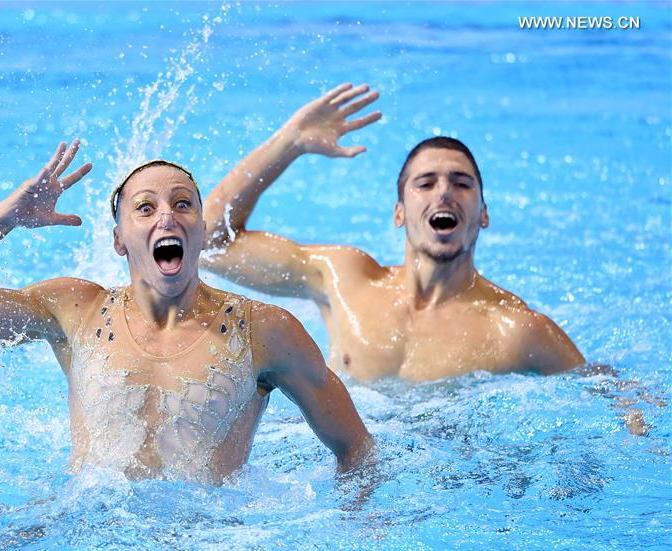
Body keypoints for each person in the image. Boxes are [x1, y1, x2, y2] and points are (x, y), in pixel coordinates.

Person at [0, 140, 373, 484]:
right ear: (118, 239)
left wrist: (356, 528)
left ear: (201, 229)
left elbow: (357, 450)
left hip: (208, 548)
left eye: (183, 204)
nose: (166, 217)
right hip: (82, 535)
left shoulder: (265, 332)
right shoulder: (76, 310)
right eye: (145, 208)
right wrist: (0, 219)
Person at [203, 83, 585, 382]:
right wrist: (289, 143)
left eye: (461, 184)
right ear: (399, 213)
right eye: (426, 183)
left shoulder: (515, 330)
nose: (444, 193)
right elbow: (208, 243)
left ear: (483, 215)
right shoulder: (343, 279)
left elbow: (606, 391)